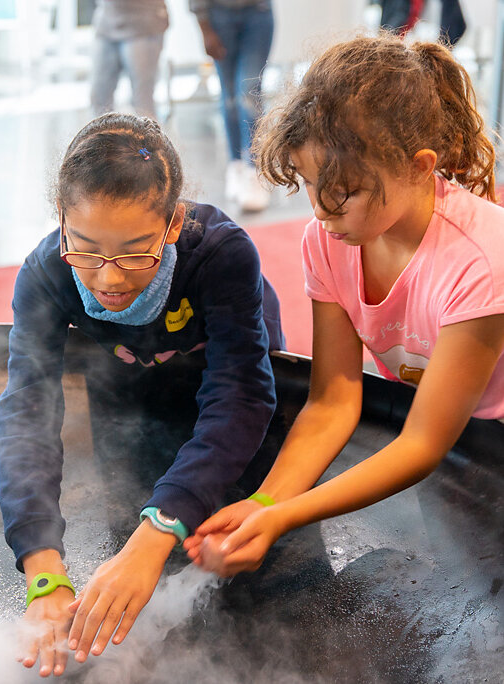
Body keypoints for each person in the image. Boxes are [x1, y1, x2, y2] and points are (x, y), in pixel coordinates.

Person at [184, 34, 504, 577]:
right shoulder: (329, 241)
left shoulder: (481, 260)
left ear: (419, 166)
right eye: (310, 184)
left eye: (343, 192)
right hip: (450, 431)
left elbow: (423, 442)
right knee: (469, 574)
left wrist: (284, 517)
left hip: (484, 436)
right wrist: (264, 503)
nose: (320, 211)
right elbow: (333, 400)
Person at [0, 112, 286, 676]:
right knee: (127, 531)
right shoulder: (45, 274)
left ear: (173, 223)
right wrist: (43, 569)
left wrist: (160, 531)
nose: (109, 278)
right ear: (61, 219)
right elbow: (28, 410)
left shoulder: (220, 253)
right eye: (86, 250)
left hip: (232, 388)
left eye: (134, 252)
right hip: (131, 378)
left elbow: (242, 396)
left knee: (247, 559)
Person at [190, 0, 275, 212]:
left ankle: (254, 170)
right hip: (218, 15)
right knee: (228, 95)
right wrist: (204, 27)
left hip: (258, 12)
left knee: (249, 90)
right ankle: (236, 165)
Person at [90, 0, 169, 119]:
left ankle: (148, 132)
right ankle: (104, 132)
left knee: (142, 102)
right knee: (99, 97)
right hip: (106, 23)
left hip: (143, 25)